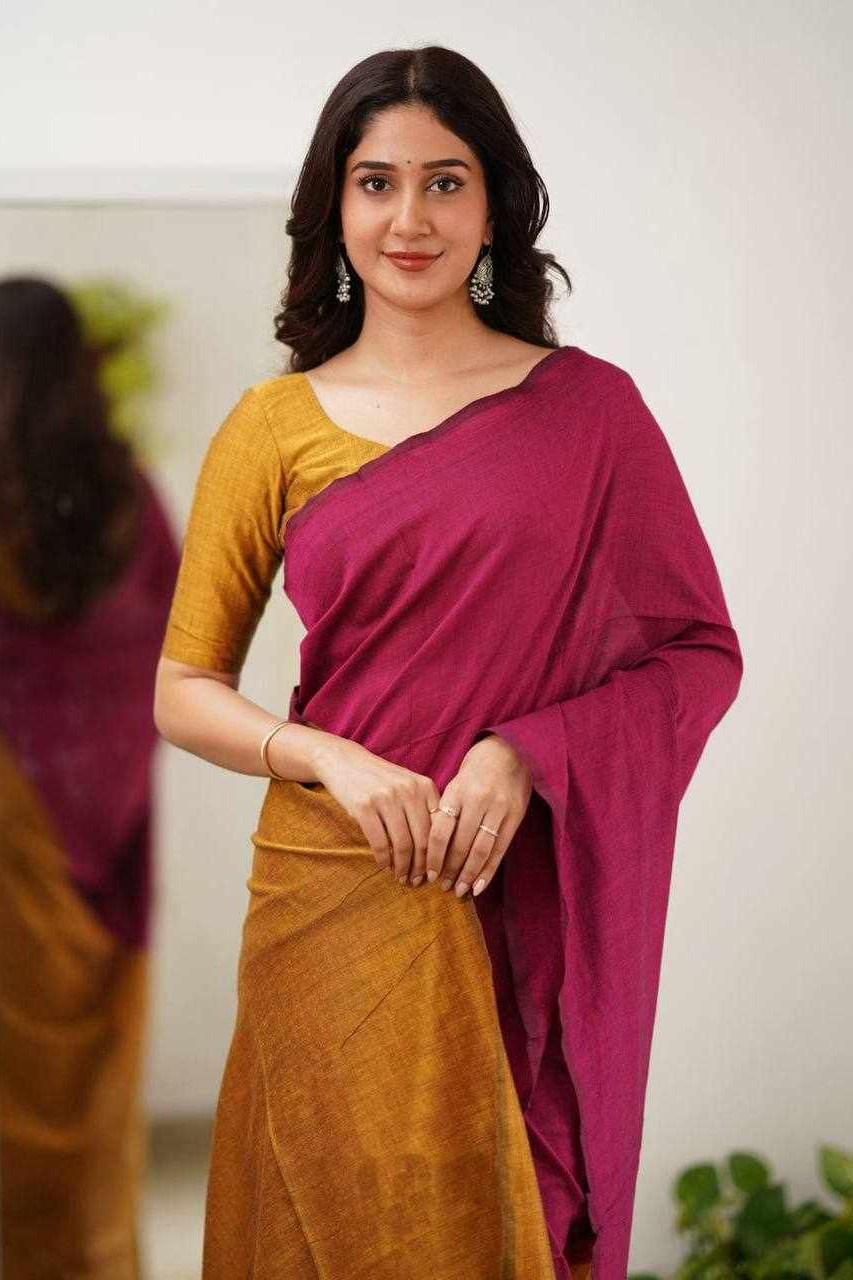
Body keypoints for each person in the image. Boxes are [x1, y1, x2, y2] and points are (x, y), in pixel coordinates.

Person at [156, 45, 743, 1280]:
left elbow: (696, 651)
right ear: (335, 205)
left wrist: (526, 754)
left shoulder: (590, 413)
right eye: (376, 183)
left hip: (507, 900)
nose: (408, 219)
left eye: (444, 181)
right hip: (328, 890)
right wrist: (328, 756)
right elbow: (184, 689)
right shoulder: (273, 425)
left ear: (493, 205)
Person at [0, 276, 181, 1279]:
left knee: (8, 1086)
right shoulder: (131, 498)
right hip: (113, 824)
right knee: (99, 1088)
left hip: (8, 833)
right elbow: (180, 649)